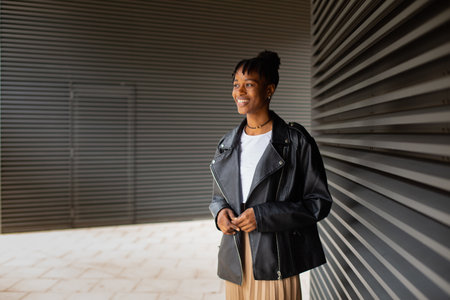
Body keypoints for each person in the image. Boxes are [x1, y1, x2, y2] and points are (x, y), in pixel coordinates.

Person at [209, 50, 333, 300]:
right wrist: (220, 214)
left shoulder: (296, 142)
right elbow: (218, 198)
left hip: (275, 260)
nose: (239, 92)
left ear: (269, 90)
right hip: (236, 262)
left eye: (249, 84)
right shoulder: (227, 144)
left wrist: (263, 216)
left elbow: (318, 203)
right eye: (236, 85)